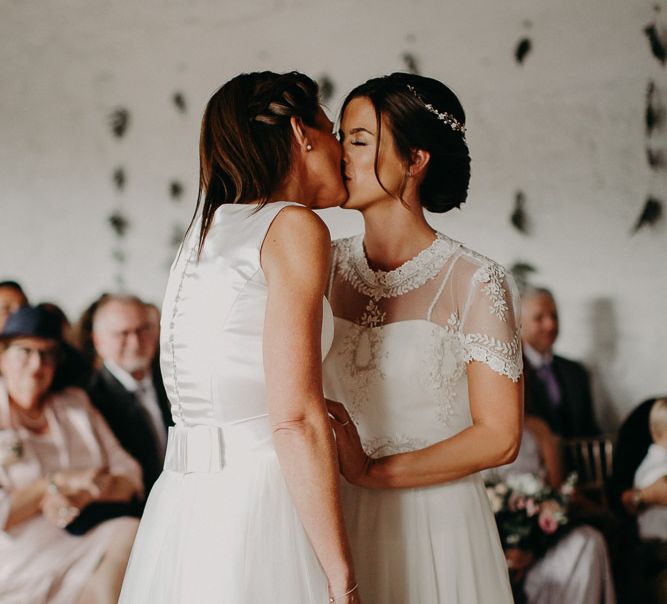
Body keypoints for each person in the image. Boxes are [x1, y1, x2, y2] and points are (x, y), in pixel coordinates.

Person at [120, 71, 359, 604]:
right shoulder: (293, 226)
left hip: (187, 504)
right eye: (332, 129)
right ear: (302, 134)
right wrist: (341, 575)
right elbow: (295, 418)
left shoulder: (206, 233)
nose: (342, 149)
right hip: (263, 499)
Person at [323, 72, 523, 603]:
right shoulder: (319, 264)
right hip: (332, 516)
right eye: (342, 138)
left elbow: (500, 437)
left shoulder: (475, 280)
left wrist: (370, 472)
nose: (342, 154)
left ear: (415, 161)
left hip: (438, 526)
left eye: (360, 141)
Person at [0, 305, 143, 603]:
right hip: (20, 560)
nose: (37, 365)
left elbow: (130, 473)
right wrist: (55, 484)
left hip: (87, 540)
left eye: (47, 353)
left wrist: (86, 492)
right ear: (2, 357)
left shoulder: (75, 405)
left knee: (132, 531)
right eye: (24, 351)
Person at [485, 416, 616, 604]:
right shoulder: (460, 431)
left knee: (588, 540)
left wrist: (533, 544)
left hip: (537, 535)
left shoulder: (537, 428)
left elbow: (557, 491)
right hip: (489, 541)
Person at [88, 294, 171, 500]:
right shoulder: (88, 399)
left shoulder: (173, 378)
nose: (135, 342)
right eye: (122, 334)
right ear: (99, 342)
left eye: (143, 330)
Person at [521, 287, 600, 438]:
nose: (550, 325)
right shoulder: (510, 374)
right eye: (539, 318)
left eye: (554, 316)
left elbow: (590, 429)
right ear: (519, 323)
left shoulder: (577, 372)